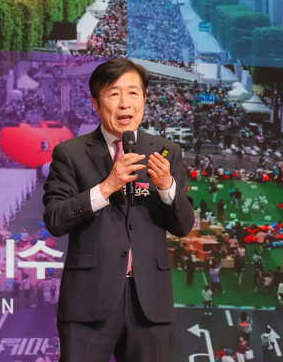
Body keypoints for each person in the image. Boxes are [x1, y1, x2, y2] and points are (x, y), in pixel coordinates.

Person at [43, 58, 195, 362]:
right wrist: (106, 187)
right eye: (114, 94)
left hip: (149, 302)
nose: (125, 103)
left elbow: (183, 226)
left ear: (144, 100)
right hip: (88, 301)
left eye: (133, 93)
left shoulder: (166, 152)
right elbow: (55, 219)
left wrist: (167, 187)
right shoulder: (71, 153)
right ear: (96, 104)